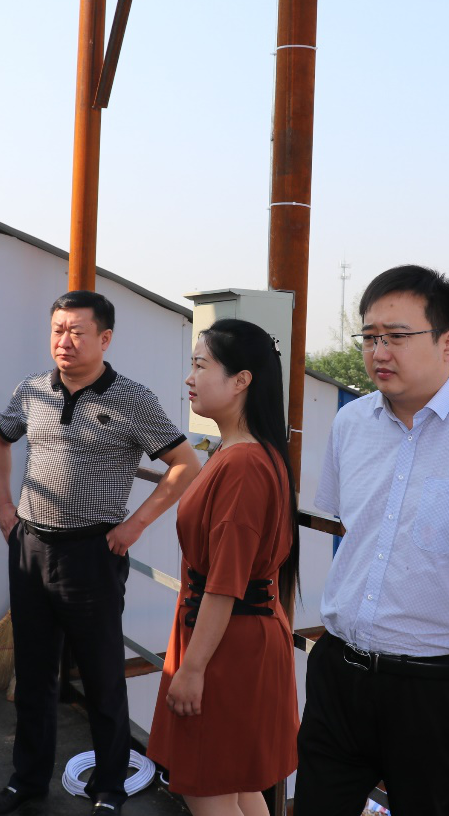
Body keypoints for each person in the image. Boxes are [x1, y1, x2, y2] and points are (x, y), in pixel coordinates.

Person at [295, 265, 449, 816]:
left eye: (396, 336)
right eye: (369, 337)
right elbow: (355, 530)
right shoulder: (351, 423)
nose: (379, 352)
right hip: (339, 672)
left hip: (435, 688)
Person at [0, 290, 202, 816]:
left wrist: (136, 525)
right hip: (30, 546)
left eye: (77, 332)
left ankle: (109, 788)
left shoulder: (132, 399)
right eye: (58, 329)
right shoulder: (32, 390)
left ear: (105, 338)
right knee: (34, 674)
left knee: (102, 677)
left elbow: (185, 464)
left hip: (93, 552)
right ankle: (26, 781)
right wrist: (4, 507)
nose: (65, 341)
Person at [147, 319, 300, 816]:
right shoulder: (245, 452)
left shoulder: (243, 464)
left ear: (241, 380)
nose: (189, 377)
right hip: (231, 636)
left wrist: (192, 669)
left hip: (226, 645)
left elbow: (224, 583)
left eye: (200, 365)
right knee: (233, 783)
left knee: (206, 784)